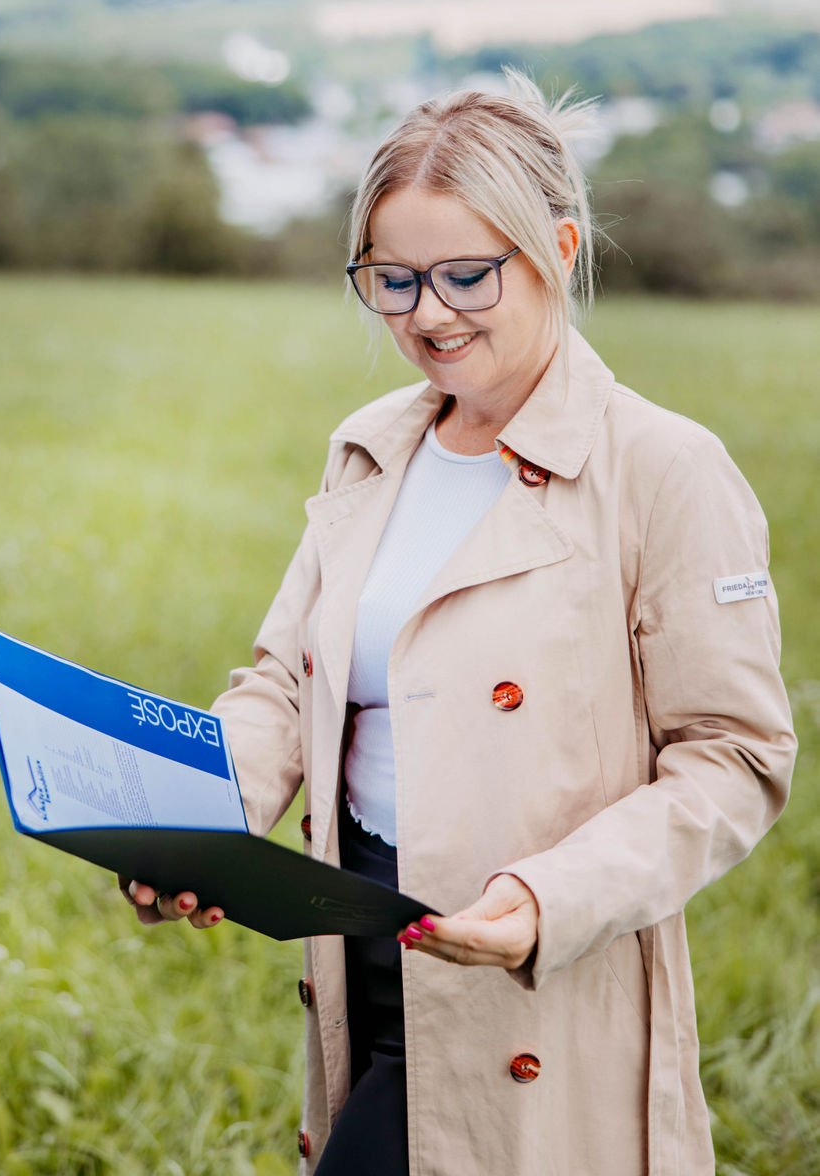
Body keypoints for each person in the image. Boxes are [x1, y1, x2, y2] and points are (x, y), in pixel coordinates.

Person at [120, 73, 796, 1176]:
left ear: (559, 252)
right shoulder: (372, 447)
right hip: (356, 937)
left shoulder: (662, 468)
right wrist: (201, 820)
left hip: (536, 974)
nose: (428, 314)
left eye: (465, 274)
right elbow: (284, 685)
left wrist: (541, 902)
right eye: (392, 280)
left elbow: (733, 760)